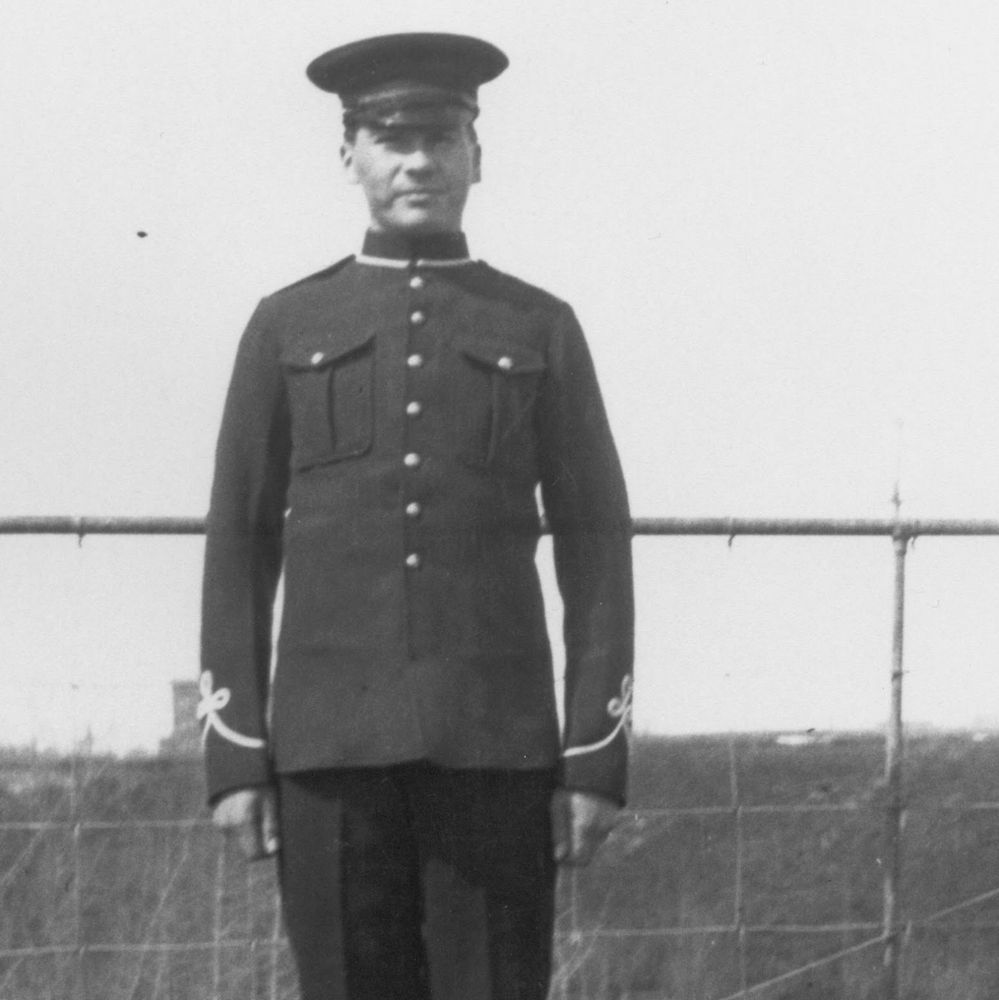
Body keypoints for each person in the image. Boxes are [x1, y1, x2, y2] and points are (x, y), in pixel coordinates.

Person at [198, 31, 634, 1000]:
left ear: (477, 154)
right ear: (348, 154)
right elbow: (238, 545)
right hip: (327, 752)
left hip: (495, 749)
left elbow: (597, 552)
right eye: (391, 140)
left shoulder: (539, 325)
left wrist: (592, 757)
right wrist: (235, 753)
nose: (418, 163)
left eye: (440, 139)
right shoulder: (286, 324)